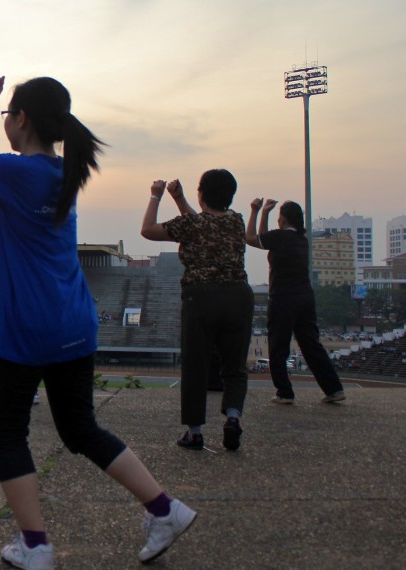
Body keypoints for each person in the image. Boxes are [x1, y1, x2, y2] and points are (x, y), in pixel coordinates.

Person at [0, 67, 196, 567]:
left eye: (10, 112)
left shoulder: (20, 175)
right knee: (80, 429)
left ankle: (35, 546)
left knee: (9, 433)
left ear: (25, 119)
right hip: (72, 321)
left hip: (24, 326)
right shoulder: (55, 173)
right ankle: (165, 509)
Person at [141, 171, 253, 452]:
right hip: (238, 295)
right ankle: (233, 417)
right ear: (231, 195)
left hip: (201, 297)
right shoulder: (236, 221)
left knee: (195, 365)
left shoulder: (190, 225)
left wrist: (156, 195)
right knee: (234, 365)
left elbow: (148, 229)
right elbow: (204, 223)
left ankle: (194, 432)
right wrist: (179, 198)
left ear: (201, 193)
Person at [246, 198, 345, 404]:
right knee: (311, 345)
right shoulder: (301, 240)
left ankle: (284, 392)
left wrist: (256, 211)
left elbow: (251, 238)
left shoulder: (280, 238)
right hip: (305, 297)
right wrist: (265, 213)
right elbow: (264, 238)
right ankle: (334, 389)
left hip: (283, 298)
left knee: (278, 346)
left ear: (282, 219)